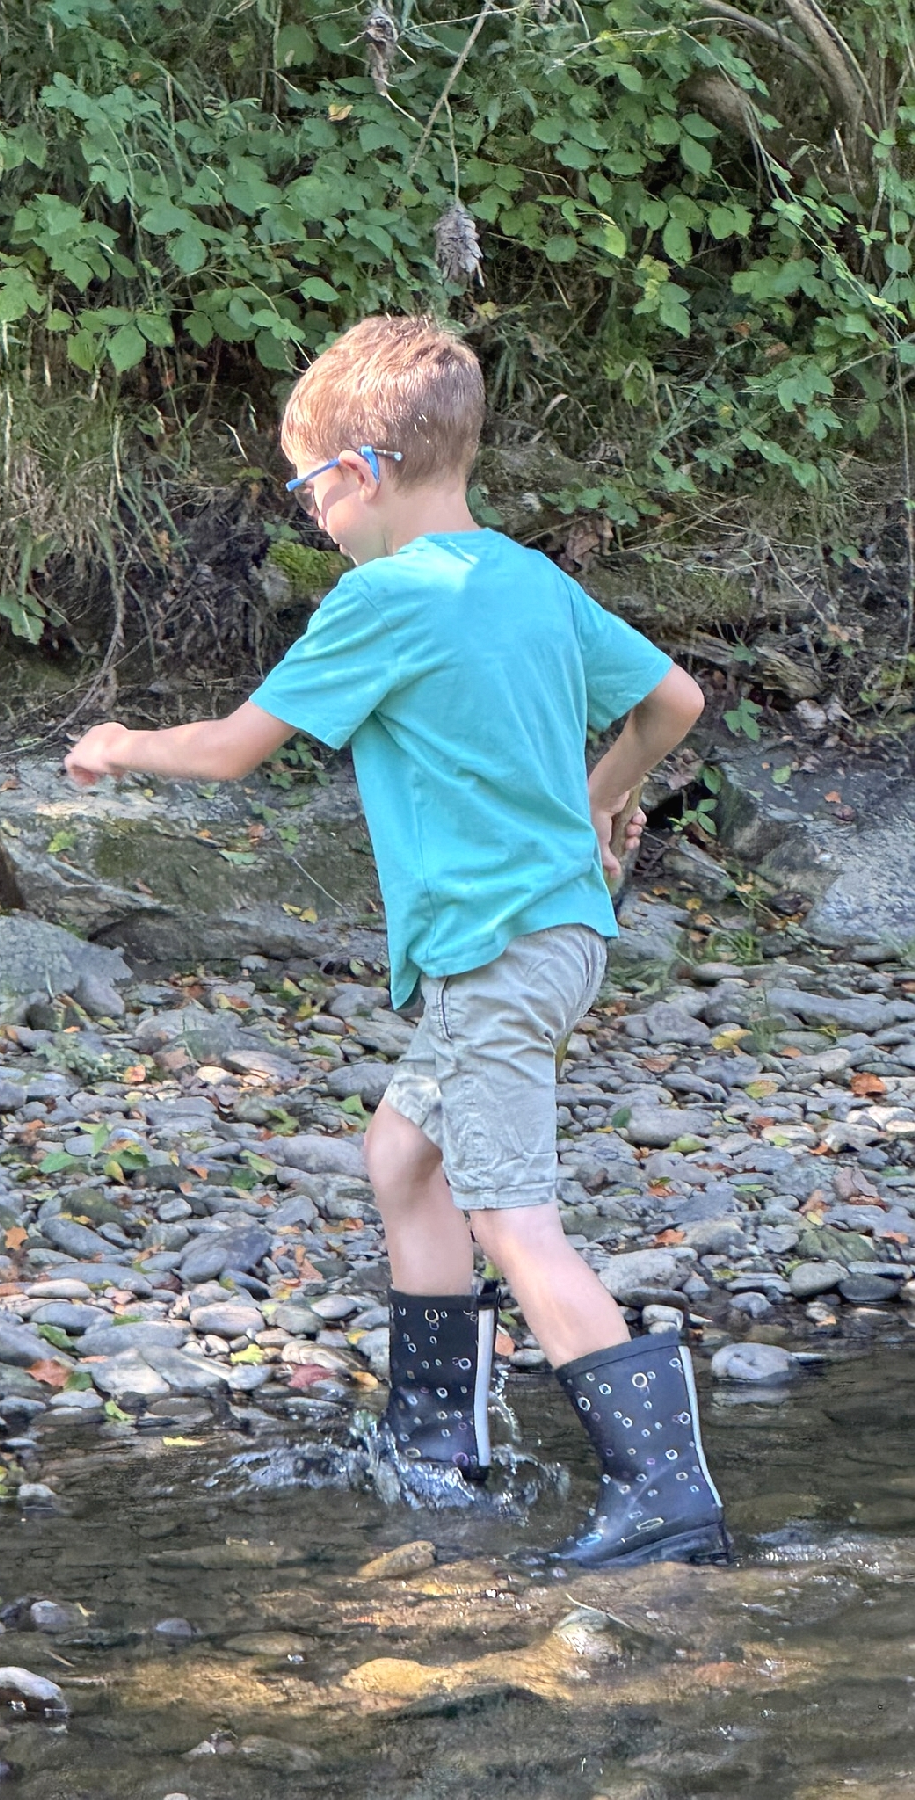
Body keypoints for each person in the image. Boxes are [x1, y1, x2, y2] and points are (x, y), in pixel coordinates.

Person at [64, 315, 728, 1570]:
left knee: (513, 1219)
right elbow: (674, 701)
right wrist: (599, 802)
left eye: (309, 486)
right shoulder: (529, 577)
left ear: (363, 472)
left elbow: (235, 749)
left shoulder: (383, 598)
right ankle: (436, 1450)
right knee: (400, 1158)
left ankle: (663, 1494)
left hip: (496, 953)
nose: (311, 513)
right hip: (550, 942)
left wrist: (121, 745)